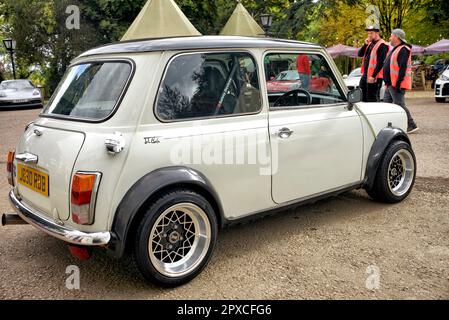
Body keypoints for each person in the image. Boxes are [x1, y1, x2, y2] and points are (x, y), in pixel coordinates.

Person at [383, 29, 419, 134]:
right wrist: (387, 82)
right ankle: (387, 124)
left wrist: (398, 83)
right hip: (390, 84)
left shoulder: (404, 49)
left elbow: (402, 67)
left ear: (397, 37)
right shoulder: (395, 49)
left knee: (399, 104)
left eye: (391, 36)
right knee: (386, 105)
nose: (390, 38)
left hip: (396, 84)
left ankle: (411, 125)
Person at [357, 25, 389, 102]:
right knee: (362, 96)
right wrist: (365, 44)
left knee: (372, 98)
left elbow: (381, 62)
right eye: (368, 33)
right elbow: (360, 54)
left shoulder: (382, 45)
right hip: (366, 75)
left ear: (377, 33)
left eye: (371, 33)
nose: (369, 35)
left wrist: (373, 76)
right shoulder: (370, 44)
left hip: (375, 77)